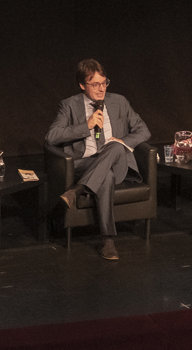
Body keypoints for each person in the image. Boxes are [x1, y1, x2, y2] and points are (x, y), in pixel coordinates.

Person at [45, 59, 150, 260]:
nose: (101, 89)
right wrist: (86, 125)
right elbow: (52, 137)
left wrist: (122, 141)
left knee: (115, 147)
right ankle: (108, 240)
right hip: (84, 164)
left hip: (117, 161)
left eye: (104, 83)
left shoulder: (119, 101)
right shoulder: (69, 105)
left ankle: (76, 191)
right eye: (95, 84)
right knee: (106, 176)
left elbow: (144, 130)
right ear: (82, 85)